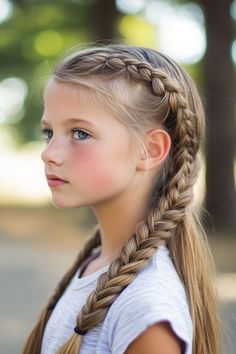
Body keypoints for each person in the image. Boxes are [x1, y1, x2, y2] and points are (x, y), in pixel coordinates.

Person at [21, 43, 221, 354]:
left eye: (80, 133)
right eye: (49, 133)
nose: (49, 154)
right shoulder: (98, 263)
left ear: (151, 150)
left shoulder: (146, 311)